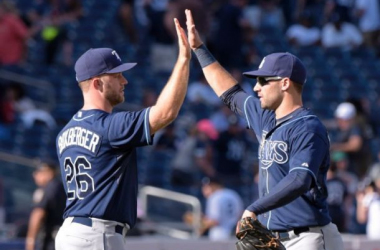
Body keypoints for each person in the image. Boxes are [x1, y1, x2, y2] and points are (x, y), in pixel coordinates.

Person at [182, 9, 344, 249]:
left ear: (285, 83)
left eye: (263, 81)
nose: (256, 87)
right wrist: (198, 49)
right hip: (275, 238)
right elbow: (230, 93)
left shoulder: (309, 127)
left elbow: (299, 179)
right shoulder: (265, 117)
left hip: (307, 237)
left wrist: (254, 208)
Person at [54, 17, 191, 250]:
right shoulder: (109, 126)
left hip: (72, 232)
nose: (124, 81)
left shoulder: (64, 133)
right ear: (97, 83)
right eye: (117, 76)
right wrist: (184, 59)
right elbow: (166, 112)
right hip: (97, 235)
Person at [26, 160, 66, 250]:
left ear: (48, 173)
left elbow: (38, 213)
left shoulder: (48, 188)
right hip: (61, 236)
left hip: (50, 238)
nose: (35, 175)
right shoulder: (61, 187)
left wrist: (30, 240)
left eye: (38, 172)